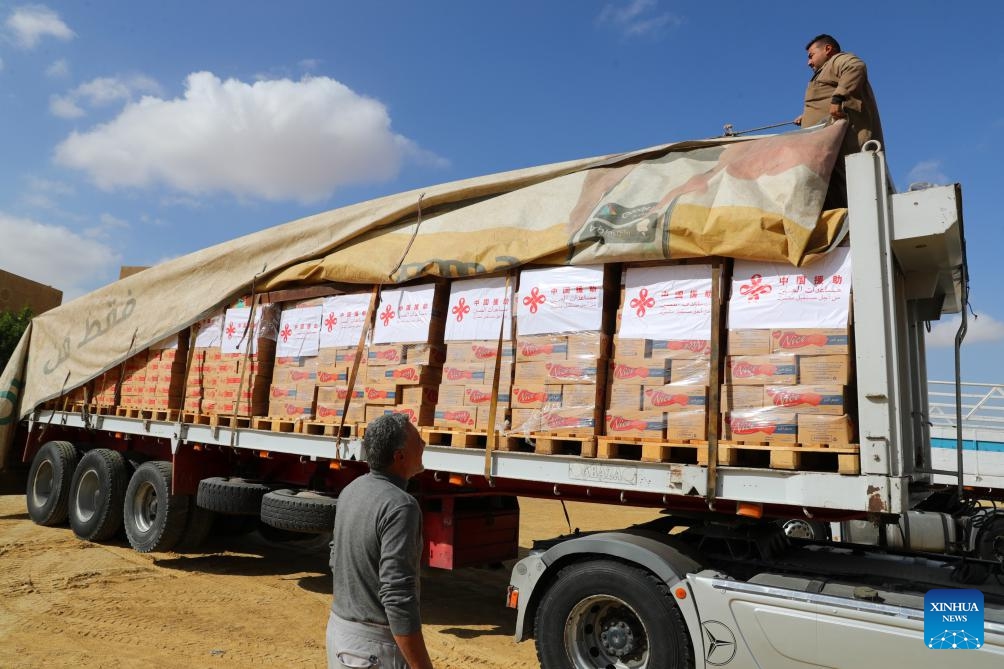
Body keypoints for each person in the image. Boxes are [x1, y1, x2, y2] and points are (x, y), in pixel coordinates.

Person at [327, 413, 434, 669]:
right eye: (418, 440)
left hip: (340, 635)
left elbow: (335, 557)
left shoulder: (352, 490)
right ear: (399, 456)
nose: (424, 445)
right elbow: (398, 596)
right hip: (373, 650)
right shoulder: (400, 506)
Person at [794, 34, 884, 152]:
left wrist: (838, 98)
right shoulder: (826, 69)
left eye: (811, 56)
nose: (809, 62)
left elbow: (855, 66)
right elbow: (825, 100)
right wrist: (807, 116)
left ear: (827, 49)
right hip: (825, 147)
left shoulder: (836, 60)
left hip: (843, 145)